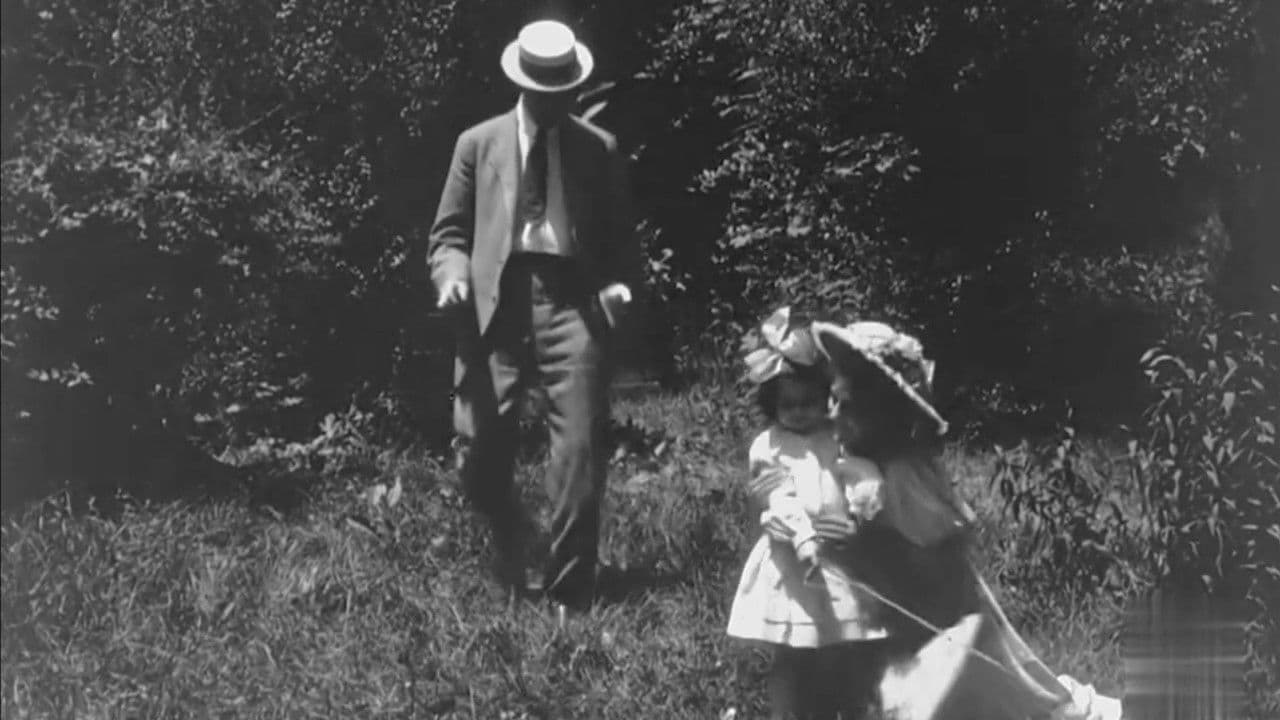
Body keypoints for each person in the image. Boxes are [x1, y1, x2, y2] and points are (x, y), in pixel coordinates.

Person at [426, 19, 644, 621]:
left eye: (564, 92)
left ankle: (570, 593)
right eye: (545, 92)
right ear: (524, 85)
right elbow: (448, 236)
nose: (555, 102)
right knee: (480, 441)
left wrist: (619, 288)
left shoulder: (597, 148)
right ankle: (506, 559)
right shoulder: (478, 144)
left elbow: (622, 245)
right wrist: (452, 277)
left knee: (579, 445)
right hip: (495, 301)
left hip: (571, 301)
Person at [809, 320, 1124, 720]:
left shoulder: (902, 477)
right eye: (832, 400)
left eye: (847, 406)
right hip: (887, 615)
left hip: (933, 617)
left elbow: (936, 562)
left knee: (988, 689)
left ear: (879, 416)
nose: (832, 414)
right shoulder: (857, 462)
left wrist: (858, 547)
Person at [726, 307, 890, 720]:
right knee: (790, 652)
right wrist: (799, 536)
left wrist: (857, 518)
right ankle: (789, 713)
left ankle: (841, 708)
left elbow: (862, 477)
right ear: (772, 404)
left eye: (808, 403)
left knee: (840, 646)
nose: (798, 412)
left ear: (824, 399)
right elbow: (777, 500)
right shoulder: (769, 446)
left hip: (836, 559)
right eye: (788, 404)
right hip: (789, 563)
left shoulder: (836, 439)